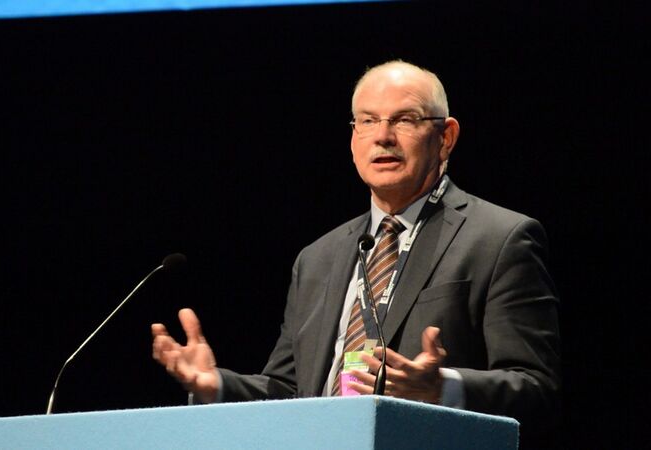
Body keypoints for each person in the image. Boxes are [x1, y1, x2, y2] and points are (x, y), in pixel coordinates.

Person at [151, 60, 561, 446]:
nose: (383, 136)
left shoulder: (499, 238)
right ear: (353, 139)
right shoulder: (317, 258)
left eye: (405, 119)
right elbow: (291, 390)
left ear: (445, 137)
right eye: (367, 121)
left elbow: (534, 386)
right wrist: (216, 385)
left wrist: (442, 387)